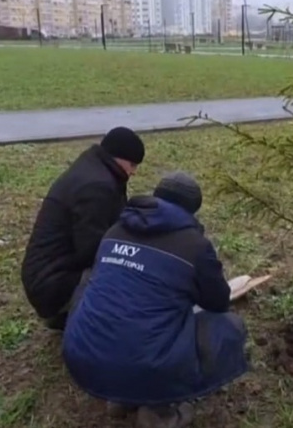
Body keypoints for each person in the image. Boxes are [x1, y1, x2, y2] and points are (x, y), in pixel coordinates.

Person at [62, 172, 249, 428]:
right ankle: (160, 411)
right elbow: (218, 303)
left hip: (81, 359)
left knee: (89, 284)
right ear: (192, 210)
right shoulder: (194, 245)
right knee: (229, 327)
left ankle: (120, 398)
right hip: (145, 367)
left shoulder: (115, 231)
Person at [20, 126, 145, 331]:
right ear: (117, 157)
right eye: (132, 165)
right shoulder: (96, 187)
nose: (134, 172)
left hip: (46, 278)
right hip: (52, 284)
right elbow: (94, 249)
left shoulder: (94, 169)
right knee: (127, 277)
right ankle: (77, 314)